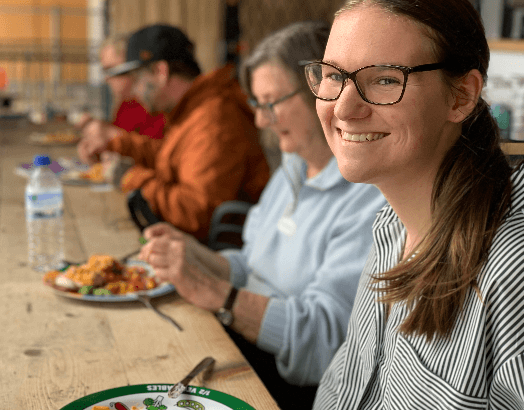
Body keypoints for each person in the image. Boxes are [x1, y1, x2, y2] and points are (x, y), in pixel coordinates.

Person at [139, 22, 386, 410]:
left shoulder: (368, 198)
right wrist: (193, 255)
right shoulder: (292, 167)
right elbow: (252, 264)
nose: (260, 120)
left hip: (285, 386)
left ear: (323, 92)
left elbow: (323, 341)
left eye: (271, 103)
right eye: (258, 104)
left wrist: (216, 294)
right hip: (238, 342)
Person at [305, 1, 524, 409]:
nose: (344, 109)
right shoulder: (390, 224)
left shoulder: (511, 268)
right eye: (334, 75)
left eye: (386, 80)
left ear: (461, 96)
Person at [78, 25, 270, 243]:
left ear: (161, 72)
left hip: (218, 255)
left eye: (137, 78)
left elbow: (195, 214)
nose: (133, 90)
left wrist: (132, 178)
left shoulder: (214, 119)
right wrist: (117, 143)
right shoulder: (193, 109)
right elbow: (171, 158)